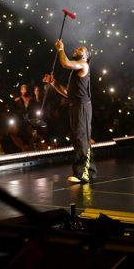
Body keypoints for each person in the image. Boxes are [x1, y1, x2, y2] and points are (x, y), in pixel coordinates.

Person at [43, 39, 96, 184]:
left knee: (81, 137)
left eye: (81, 49)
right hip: (75, 106)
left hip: (82, 107)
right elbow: (67, 92)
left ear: (85, 57)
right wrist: (53, 83)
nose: (77, 49)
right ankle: (86, 171)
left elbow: (65, 63)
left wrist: (61, 50)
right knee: (78, 138)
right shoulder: (76, 71)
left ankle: (83, 174)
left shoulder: (83, 65)